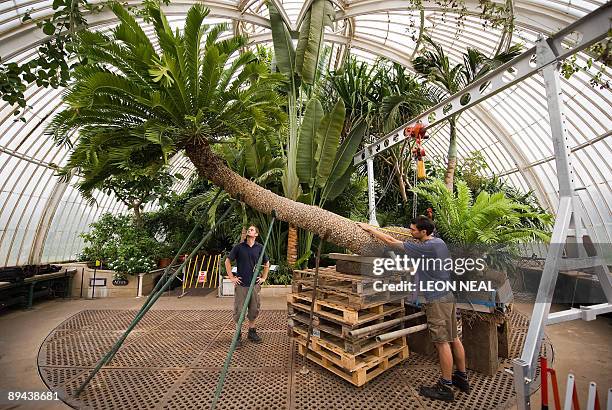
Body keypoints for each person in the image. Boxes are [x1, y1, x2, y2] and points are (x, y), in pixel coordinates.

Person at [357, 216, 469, 402]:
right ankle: (461, 378)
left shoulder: (424, 247)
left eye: (413, 230)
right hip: (449, 296)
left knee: (442, 343)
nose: (410, 232)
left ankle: (446, 386)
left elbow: (391, 241)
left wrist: (370, 229)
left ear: (424, 232)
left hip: (437, 301)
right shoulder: (439, 242)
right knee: (454, 338)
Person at [225, 225, 270, 346]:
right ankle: (238, 335)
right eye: (248, 229)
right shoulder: (239, 247)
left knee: (254, 309)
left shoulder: (260, 247)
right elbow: (227, 261)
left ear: (256, 234)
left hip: (254, 285)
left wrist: (264, 277)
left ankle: (251, 332)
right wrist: (231, 277)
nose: (249, 230)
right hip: (242, 285)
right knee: (239, 311)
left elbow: (267, 263)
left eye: (252, 229)